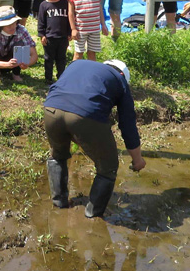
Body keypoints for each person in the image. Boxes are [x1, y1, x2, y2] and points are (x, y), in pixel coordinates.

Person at [43, 58, 146, 218]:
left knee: (58, 155)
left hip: (51, 109)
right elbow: (128, 126)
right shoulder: (120, 80)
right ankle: (93, 215)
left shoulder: (78, 63)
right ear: (122, 74)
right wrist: (137, 160)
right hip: (85, 114)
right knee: (108, 167)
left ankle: (59, 203)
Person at [37, 0, 71, 84]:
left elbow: (69, 19)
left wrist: (70, 33)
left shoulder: (65, 3)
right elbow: (41, 21)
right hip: (50, 37)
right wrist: (42, 35)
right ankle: (48, 78)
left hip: (62, 37)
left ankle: (61, 77)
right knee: (48, 58)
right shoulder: (44, 5)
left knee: (61, 59)